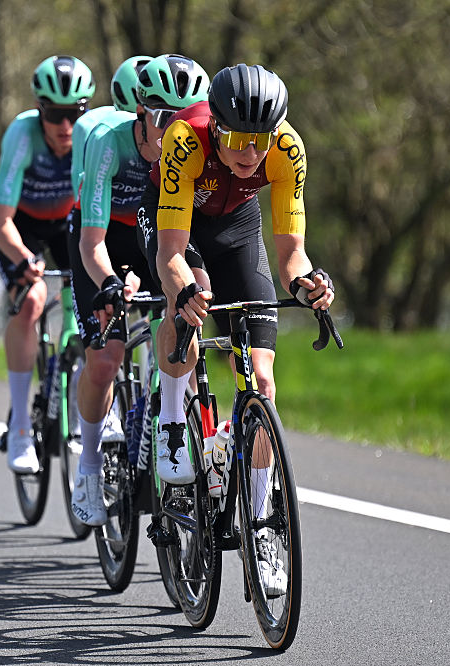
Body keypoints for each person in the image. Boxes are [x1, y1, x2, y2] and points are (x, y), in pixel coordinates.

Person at [147, 63, 335, 492]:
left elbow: (292, 255)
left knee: (262, 381)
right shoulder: (185, 140)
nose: (250, 154)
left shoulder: (288, 149)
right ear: (215, 127)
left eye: (260, 142)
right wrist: (186, 292)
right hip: (179, 223)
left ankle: (259, 520)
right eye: (236, 140)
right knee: (191, 303)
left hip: (237, 226)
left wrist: (308, 284)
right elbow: (170, 252)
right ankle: (173, 421)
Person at [69, 54, 210, 526]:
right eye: (166, 120)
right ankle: (88, 464)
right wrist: (110, 281)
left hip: (152, 232)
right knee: (106, 358)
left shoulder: (188, 149)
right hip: (101, 235)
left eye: (186, 120)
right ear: (141, 115)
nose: (176, 132)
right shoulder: (109, 143)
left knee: (180, 321)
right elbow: (91, 241)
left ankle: (180, 432)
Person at [0, 55, 95, 473]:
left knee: (96, 310)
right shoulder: (22, 134)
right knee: (33, 301)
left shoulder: (92, 138)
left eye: (74, 114)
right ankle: (19, 422)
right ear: (40, 109)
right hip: (23, 228)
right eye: (54, 113)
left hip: (67, 226)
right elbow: (0, 221)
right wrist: (25, 260)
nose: (64, 126)